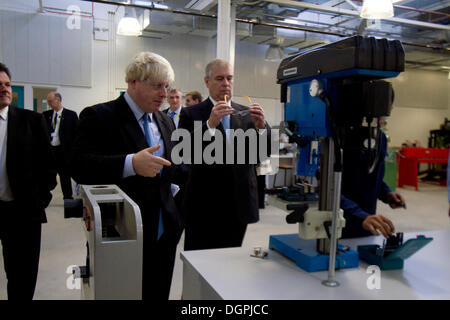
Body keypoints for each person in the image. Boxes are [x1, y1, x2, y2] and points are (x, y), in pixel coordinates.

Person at [70, 52, 184, 300]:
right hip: (120, 230)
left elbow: (172, 167)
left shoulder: (166, 121)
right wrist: (130, 163)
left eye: (167, 86)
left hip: (164, 232)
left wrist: (173, 190)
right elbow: (79, 165)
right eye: (156, 86)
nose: (164, 94)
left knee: (158, 292)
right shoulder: (99, 116)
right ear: (133, 82)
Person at [178, 58, 270, 251]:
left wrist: (262, 128)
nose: (225, 84)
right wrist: (210, 124)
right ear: (207, 81)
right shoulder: (191, 114)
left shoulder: (246, 114)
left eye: (229, 78)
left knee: (230, 262)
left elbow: (261, 155)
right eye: (219, 78)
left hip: (238, 203)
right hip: (204, 205)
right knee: (199, 263)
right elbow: (185, 154)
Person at [0, 63, 56, 299]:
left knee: (21, 277)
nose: (4, 89)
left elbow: (47, 166)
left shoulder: (30, 121)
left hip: (22, 212)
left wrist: (40, 199)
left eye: (7, 84)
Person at [341, 89, 405, 238]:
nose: (390, 110)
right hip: (339, 225)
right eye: (388, 106)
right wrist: (359, 215)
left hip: (368, 223)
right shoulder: (340, 137)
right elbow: (328, 188)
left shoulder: (380, 138)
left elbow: (372, 176)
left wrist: (387, 193)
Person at [43, 92, 79, 200]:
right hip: (50, 151)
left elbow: (77, 134)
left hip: (64, 151)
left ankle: (67, 198)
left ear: (58, 100)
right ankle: (44, 196)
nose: (48, 103)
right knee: (48, 175)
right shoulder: (46, 115)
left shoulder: (71, 115)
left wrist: (74, 151)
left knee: (65, 176)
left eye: (50, 101)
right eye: (48, 101)